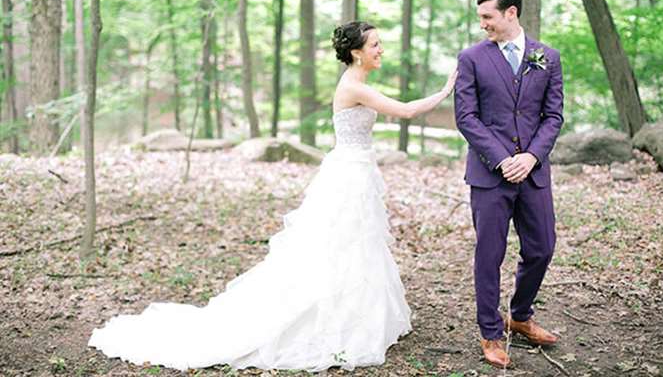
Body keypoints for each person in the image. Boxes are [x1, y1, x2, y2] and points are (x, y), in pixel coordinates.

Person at [88, 20, 457, 373]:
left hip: (355, 169)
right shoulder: (354, 85)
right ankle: (331, 318)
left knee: (357, 243)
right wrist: (447, 89)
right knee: (342, 242)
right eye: (375, 44)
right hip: (348, 173)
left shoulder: (358, 81)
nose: (381, 50)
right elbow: (406, 111)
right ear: (358, 53)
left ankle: (358, 313)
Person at [454, 0, 564, 368]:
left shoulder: (547, 57)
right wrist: (503, 159)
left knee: (542, 248)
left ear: (511, 13)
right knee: (490, 253)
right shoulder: (471, 58)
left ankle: (520, 316)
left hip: (534, 174)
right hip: (490, 174)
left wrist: (532, 157)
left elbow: (554, 116)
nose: (482, 23)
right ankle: (490, 333)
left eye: (488, 16)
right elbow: (466, 117)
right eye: (480, 16)